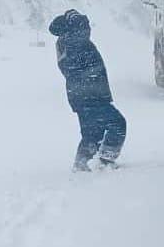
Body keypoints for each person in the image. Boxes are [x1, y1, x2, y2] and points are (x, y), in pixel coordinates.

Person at [48, 10, 127, 172]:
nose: (87, 29)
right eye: (83, 25)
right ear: (73, 28)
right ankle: (103, 161)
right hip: (90, 97)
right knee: (118, 124)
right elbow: (72, 68)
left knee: (92, 134)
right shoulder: (71, 44)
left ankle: (83, 164)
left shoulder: (72, 43)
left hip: (87, 97)